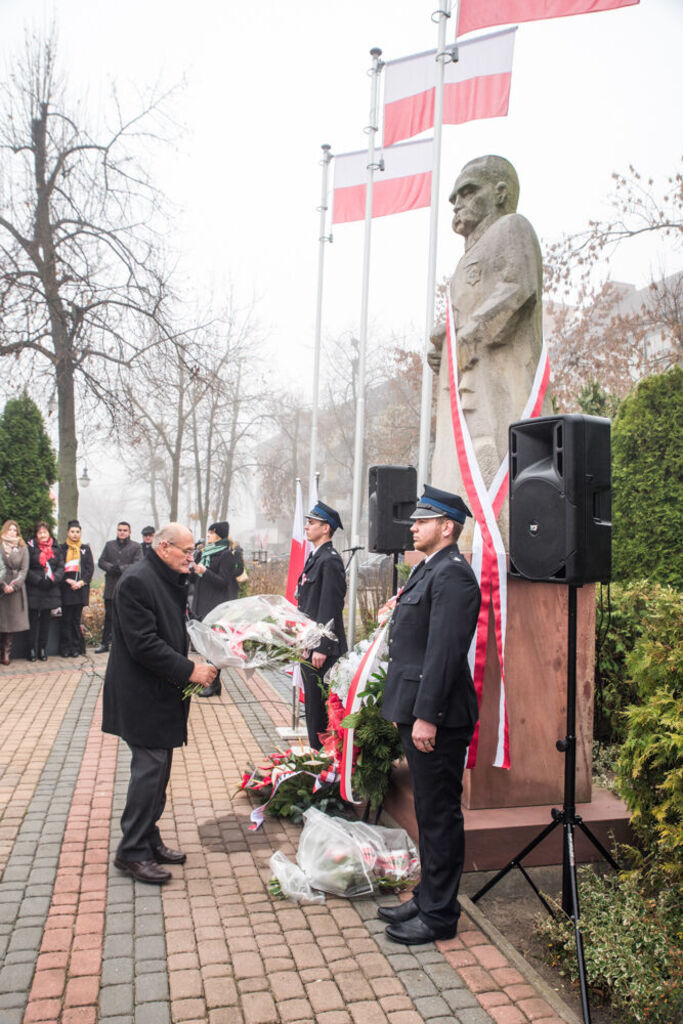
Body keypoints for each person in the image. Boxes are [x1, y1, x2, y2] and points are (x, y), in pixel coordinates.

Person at [429, 155, 551, 547]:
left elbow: (518, 288)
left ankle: (500, 543)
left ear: (499, 193)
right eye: (454, 196)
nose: (456, 202)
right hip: (466, 378)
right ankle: (468, 539)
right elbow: (463, 315)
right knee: (465, 461)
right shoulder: (464, 260)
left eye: (468, 191)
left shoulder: (512, 228)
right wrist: (443, 340)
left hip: (500, 379)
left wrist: (471, 333)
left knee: (493, 457)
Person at [379, 485, 481, 946]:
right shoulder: (429, 569)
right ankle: (427, 896)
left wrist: (428, 717)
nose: (413, 525)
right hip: (418, 709)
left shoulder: (454, 575)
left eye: (423, 519)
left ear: (447, 526)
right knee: (428, 811)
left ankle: (440, 915)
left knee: (439, 816)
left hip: (435, 716)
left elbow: (444, 653)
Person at [102, 523, 217, 885]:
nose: (191, 557)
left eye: (192, 551)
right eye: (185, 551)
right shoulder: (137, 581)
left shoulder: (165, 576)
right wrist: (190, 670)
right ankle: (131, 852)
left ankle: (148, 838)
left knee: (159, 771)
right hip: (141, 694)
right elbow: (144, 645)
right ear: (163, 547)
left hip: (160, 693)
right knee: (149, 771)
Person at [295, 500, 347, 749]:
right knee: (313, 708)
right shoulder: (317, 558)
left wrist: (322, 647)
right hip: (310, 644)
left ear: (326, 528)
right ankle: (318, 757)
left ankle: (325, 761)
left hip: (322, 650)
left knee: (322, 710)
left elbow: (330, 606)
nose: (306, 527)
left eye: (311, 523)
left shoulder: (330, 561)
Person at [190, 521, 244, 698]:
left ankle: (213, 683)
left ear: (219, 535)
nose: (209, 536)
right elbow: (194, 580)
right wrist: (193, 569)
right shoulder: (205, 552)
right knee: (207, 646)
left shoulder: (226, 555)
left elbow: (223, 581)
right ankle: (213, 683)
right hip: (201, 602)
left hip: (215, 605)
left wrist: (205, 571)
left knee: (213, 646)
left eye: (212, 533)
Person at [96, 521, 142, 653]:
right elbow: (101, 561)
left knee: (127, 617)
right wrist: (110, 568)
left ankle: (125, 645)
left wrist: (121, 569)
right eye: (120, 530)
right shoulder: (109, 545)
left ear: (129, 532)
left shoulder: (136, 546)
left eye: (125, 530)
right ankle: (105, 643)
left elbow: (138, 563)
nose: (122, 532)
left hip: (127, 587)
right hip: (111, 586)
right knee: (109, 616)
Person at [26, 521, 64, 662]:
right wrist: (38, 580)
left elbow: (61, 568)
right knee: (33, 620)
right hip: (35, 589)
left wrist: (52, 580)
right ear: (36, 535)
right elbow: (26, 568)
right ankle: (31, 649)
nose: (43, 535)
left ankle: (42, 648)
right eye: (40, 532)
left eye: (45, 532)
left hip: (50, 589)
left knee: (46, 621)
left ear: (49, 533)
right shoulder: (30, 548)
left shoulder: (56, 548)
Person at [58, 520, 94, 657]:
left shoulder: (85, 549)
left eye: (77, 532)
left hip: (80, 589)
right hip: (66, 588)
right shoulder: (62, 549)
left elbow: (89, 569)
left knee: (75, 620)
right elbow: (59, 567)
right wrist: (68, 580)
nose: (75, 534)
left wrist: (81, 582)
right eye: (72, 532)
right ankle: (65, 648)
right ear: (68, 533)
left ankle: (75, 647)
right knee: (66, 619)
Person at [0, 520, 30, 666]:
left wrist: (14, 585)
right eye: (9, 529)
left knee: (10, 622)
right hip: (1, 586)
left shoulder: (23, 548)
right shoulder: (0, 546)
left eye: (15, 530)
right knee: (1, 620)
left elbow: (24, 570)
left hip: (15, 589)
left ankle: (6, 652)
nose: (12, 532)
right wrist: (3, 584)